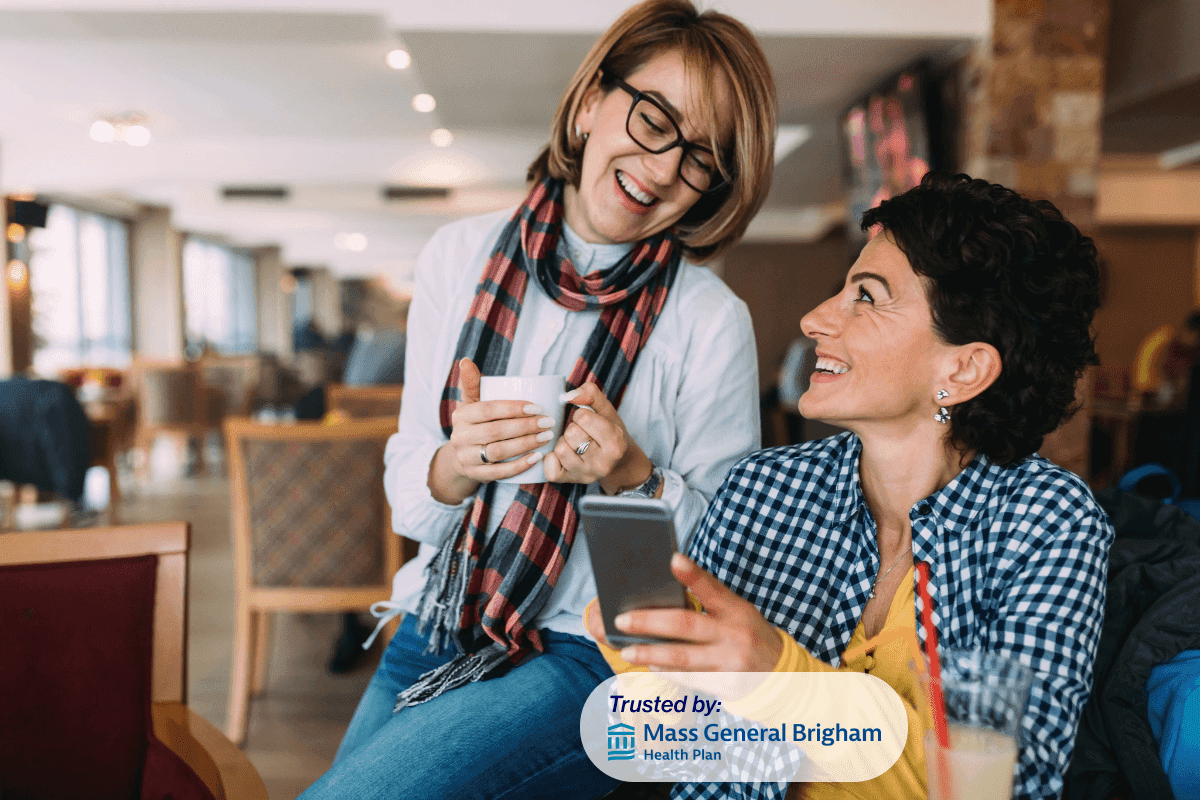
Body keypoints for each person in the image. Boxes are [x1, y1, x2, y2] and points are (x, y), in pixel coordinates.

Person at [300, 0, 775, 798]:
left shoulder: (710, 320)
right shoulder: (459, 256)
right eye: (655, 118)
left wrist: (632, 477)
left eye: (701, 157)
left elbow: (728, 564)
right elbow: (409, 499)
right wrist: (455, 464)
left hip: (594, 655)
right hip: (438, 619)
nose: (662, 168)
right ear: (592, 101)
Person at [587, 172, 1115, 800]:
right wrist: (653, 657)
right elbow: (685, 750)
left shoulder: (1046, 522)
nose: (814, 319)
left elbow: (1004, 783)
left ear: (964, 367)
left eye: (866, 296)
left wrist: (774, 680)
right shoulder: (765, 490)